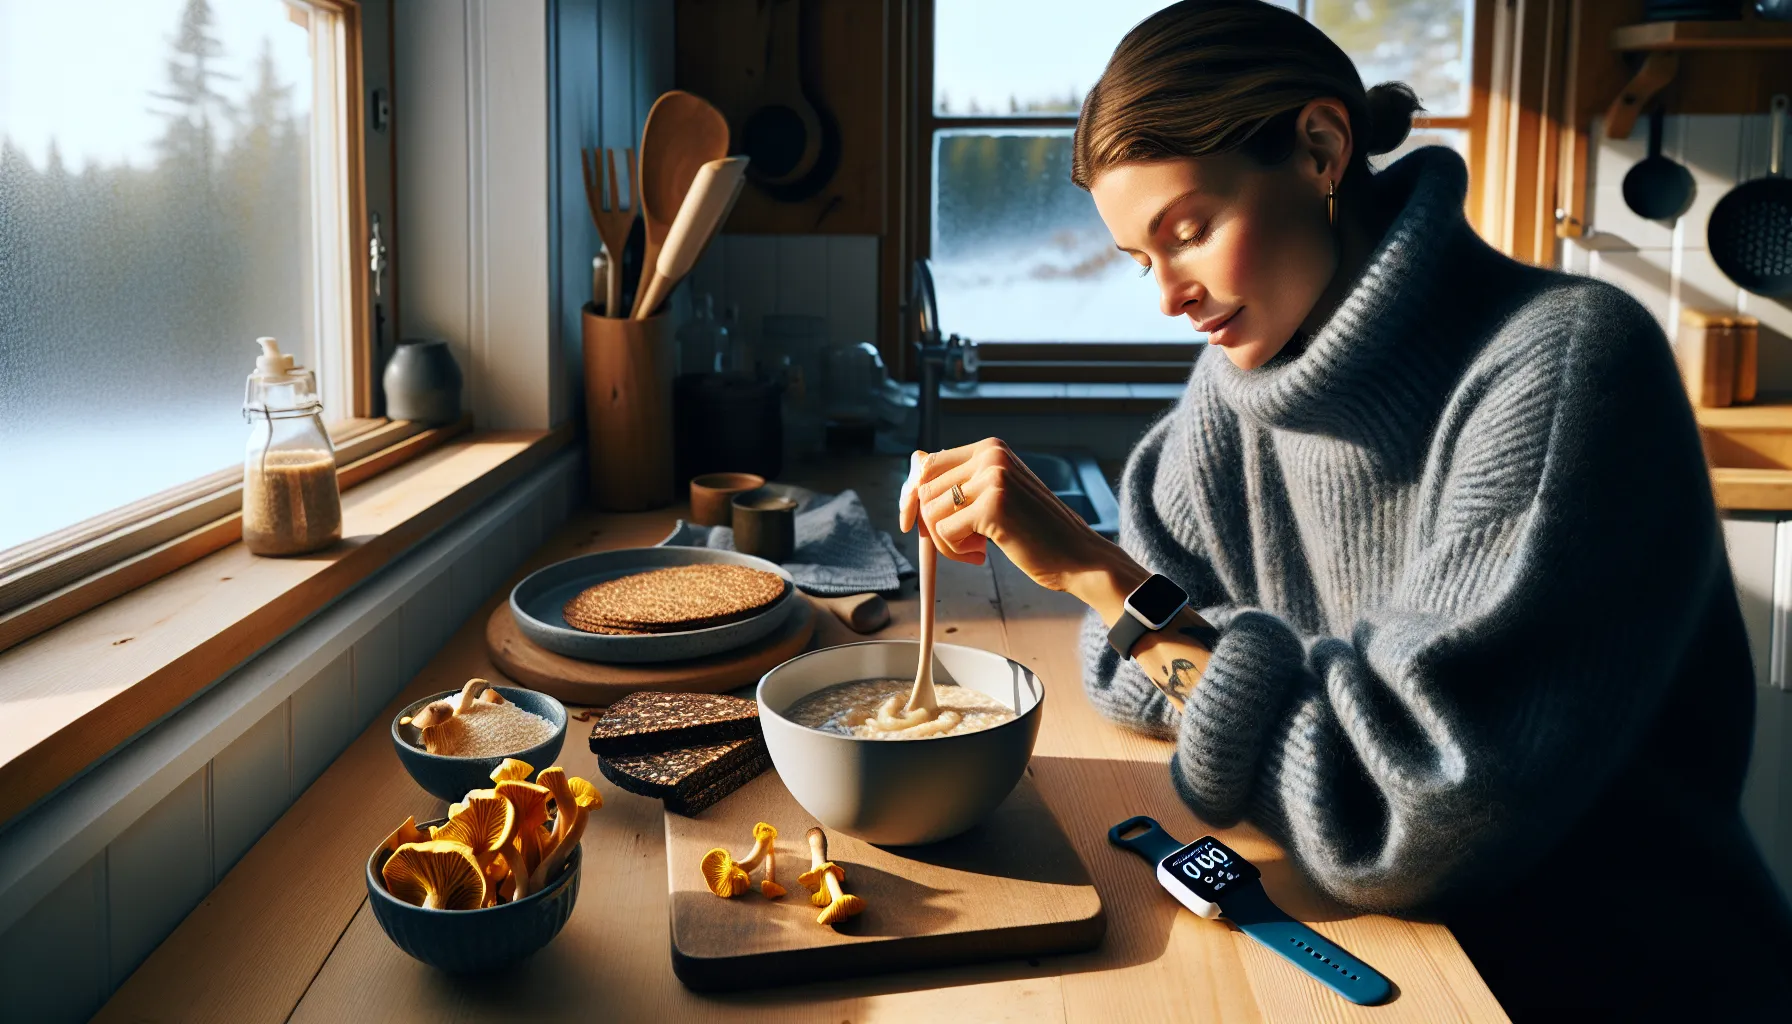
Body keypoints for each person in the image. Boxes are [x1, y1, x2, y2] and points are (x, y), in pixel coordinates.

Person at [898, 1, 1792, 1017]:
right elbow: (1126, 667)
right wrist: (1241, 665)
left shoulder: (1564, 367)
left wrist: (1103, 578)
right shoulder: (1238, 385)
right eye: (1140, 261)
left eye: (1187, 231)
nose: (1168, 298)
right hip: (1379, 961)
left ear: (1320, 149)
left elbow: (1408, 819)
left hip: (1606, 976)